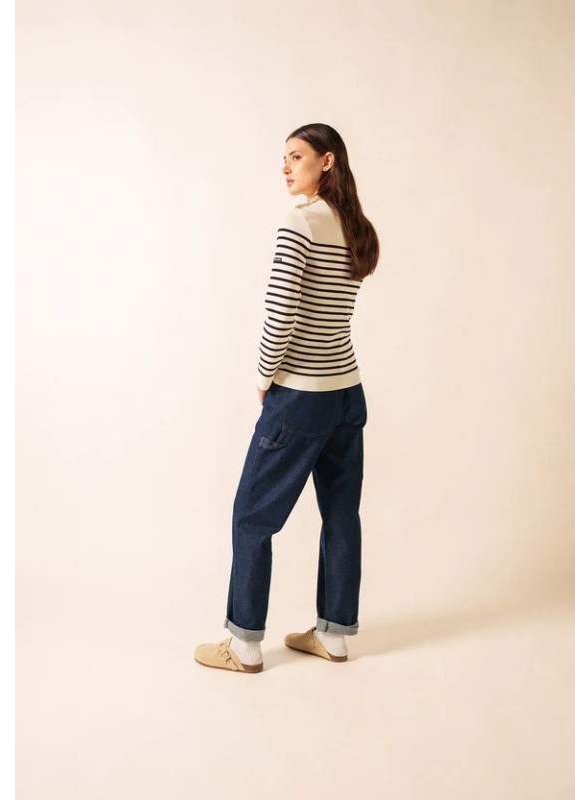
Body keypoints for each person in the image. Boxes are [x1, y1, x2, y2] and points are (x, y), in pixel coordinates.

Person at [193, 123, 380, 673]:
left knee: (252, 516)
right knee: (341, 515)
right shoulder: (355, 225)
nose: (286, 167)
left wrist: (263, 375)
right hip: (346, 391)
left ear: (327, 161)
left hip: (300, 395)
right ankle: (334, 635)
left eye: (296, 156)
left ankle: (244, 645)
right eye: (284, 158)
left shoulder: (299, 222)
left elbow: (282, 312)